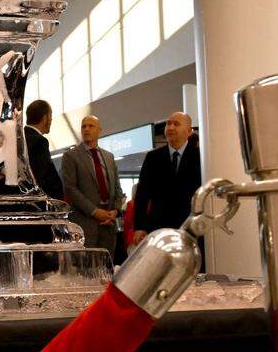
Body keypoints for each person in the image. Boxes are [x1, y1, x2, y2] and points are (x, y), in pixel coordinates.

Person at [132, 111, 202, 240]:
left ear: (188, 131)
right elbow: (142, 194)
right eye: (168, 124)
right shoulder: (153, 157)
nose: (170, 127)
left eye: (176, 124)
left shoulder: (200, 157)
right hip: (158, 229)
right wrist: (139, 227)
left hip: (190, 228)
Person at [61, 115, 124, 253]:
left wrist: (115, 211)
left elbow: (117, 188)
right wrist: (95, 212)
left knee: (107, 263)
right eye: (83, 126)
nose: (86, 129)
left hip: (109, 224)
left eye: (91, 126)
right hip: (85, 225)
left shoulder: (109, 157)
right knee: (86, 264)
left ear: (99, 130)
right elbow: (70, 189)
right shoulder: (71, 156)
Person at [24, 100, 64, 200]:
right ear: (45, 118)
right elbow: (42, 176)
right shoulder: (39, 141)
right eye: (51, 116)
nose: (51, 120)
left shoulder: (20, 138)